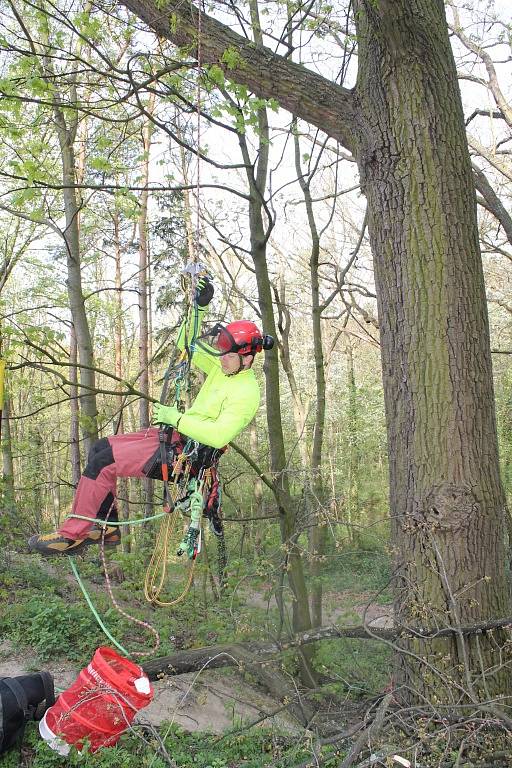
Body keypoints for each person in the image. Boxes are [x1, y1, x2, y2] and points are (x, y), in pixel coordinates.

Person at [28, 277, 273, 556]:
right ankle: (105, 528)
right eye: (220, 353)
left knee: (104, 461)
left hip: (186, 458)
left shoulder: (247, 394)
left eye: (227, 356)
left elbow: (218, 436)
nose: (220, 359)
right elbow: (186, 343)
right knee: (100, 449)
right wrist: (199, 309)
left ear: (248, 357)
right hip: (175, 439)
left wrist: (176, 417)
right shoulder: (224, 367)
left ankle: (73, 535)